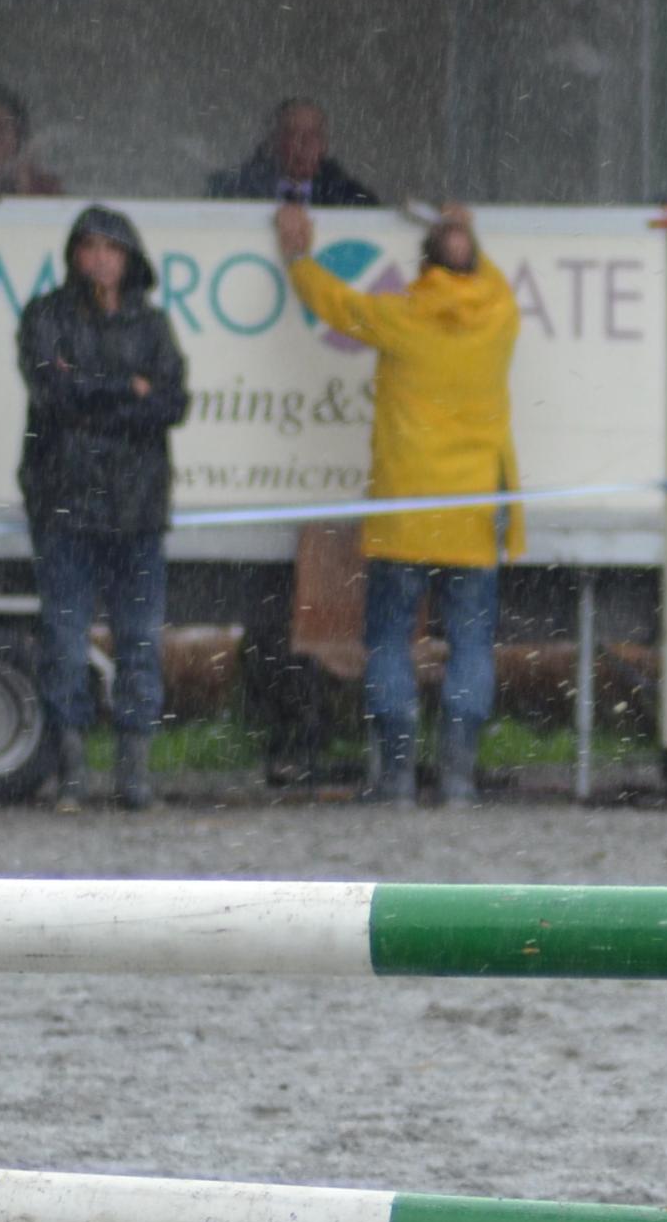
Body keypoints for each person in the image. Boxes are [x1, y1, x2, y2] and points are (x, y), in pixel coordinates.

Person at [275, 199, 515, 806]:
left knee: (388, 641)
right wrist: (465, 232)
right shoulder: (499, 313)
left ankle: (397, 778)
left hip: (404, 513)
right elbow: (486, 277)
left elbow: (335, 303)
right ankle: (458, 779)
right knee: (470, 645)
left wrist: (298, 257)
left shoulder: (402, 315)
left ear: (422, 265)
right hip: (471, 516)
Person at [18, 204, 189, 808]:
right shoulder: (46, 316)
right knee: (65, 645)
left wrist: (96, 396)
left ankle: (133, 776)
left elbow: (173, 404)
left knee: (140, 644)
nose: (100, 259)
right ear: (73, 256)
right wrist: (126, 389)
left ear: (129, 258)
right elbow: (54, 394)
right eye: (89, 247)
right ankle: (71, 772)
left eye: (112, 249)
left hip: (138, 512)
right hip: (65, 507)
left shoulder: (153, 325)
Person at [211, 98, 379, 207]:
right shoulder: (232, 190)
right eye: (293, 134)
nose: (305, 144)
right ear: (274, 141)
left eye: (314, 135)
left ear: (324, 145)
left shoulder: (351, 198)